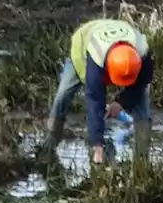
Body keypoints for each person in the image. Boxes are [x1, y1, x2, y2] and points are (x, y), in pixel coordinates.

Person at [46, 18, 153, 165]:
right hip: (83, 50)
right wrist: (97, 145)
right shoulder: (96, 58)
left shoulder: (142, 52)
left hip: (113, 39)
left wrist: (120, 103)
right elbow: (94, 99)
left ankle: (142, 161)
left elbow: (141, 83)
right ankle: (49, 145)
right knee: (63, 94)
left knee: (141, 102)